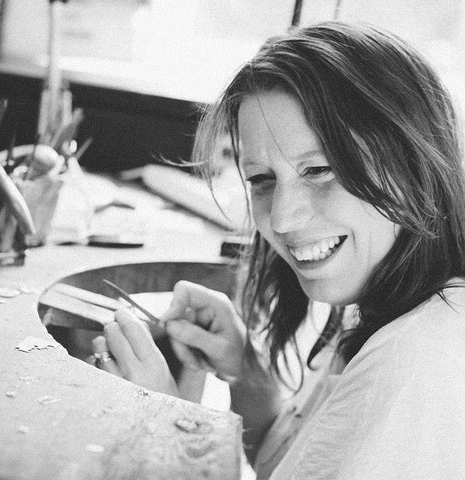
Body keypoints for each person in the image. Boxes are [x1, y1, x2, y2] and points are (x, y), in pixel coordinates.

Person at [92, 21, 465, 479]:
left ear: (413, 161)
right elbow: (296, 463)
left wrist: (159, 431)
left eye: (319, 170)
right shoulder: (388, 297)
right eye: (262, 180)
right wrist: (246, 371)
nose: (283, 219)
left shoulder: (415, 363)